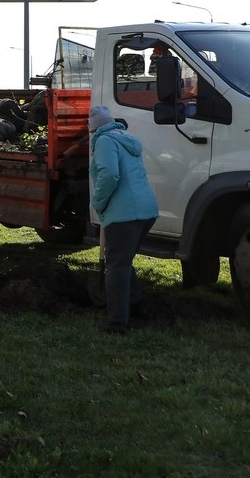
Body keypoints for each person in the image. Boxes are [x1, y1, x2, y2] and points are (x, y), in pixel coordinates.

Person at [88, 105, 160, 334]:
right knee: (124, 261)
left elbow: (109, 174)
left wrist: (98, 203)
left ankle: (116, 323)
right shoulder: (126, 138)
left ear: (94, 129)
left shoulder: (104, 141)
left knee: (116, 266)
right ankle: (137, 310)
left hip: (124, 213)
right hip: (146, 210)